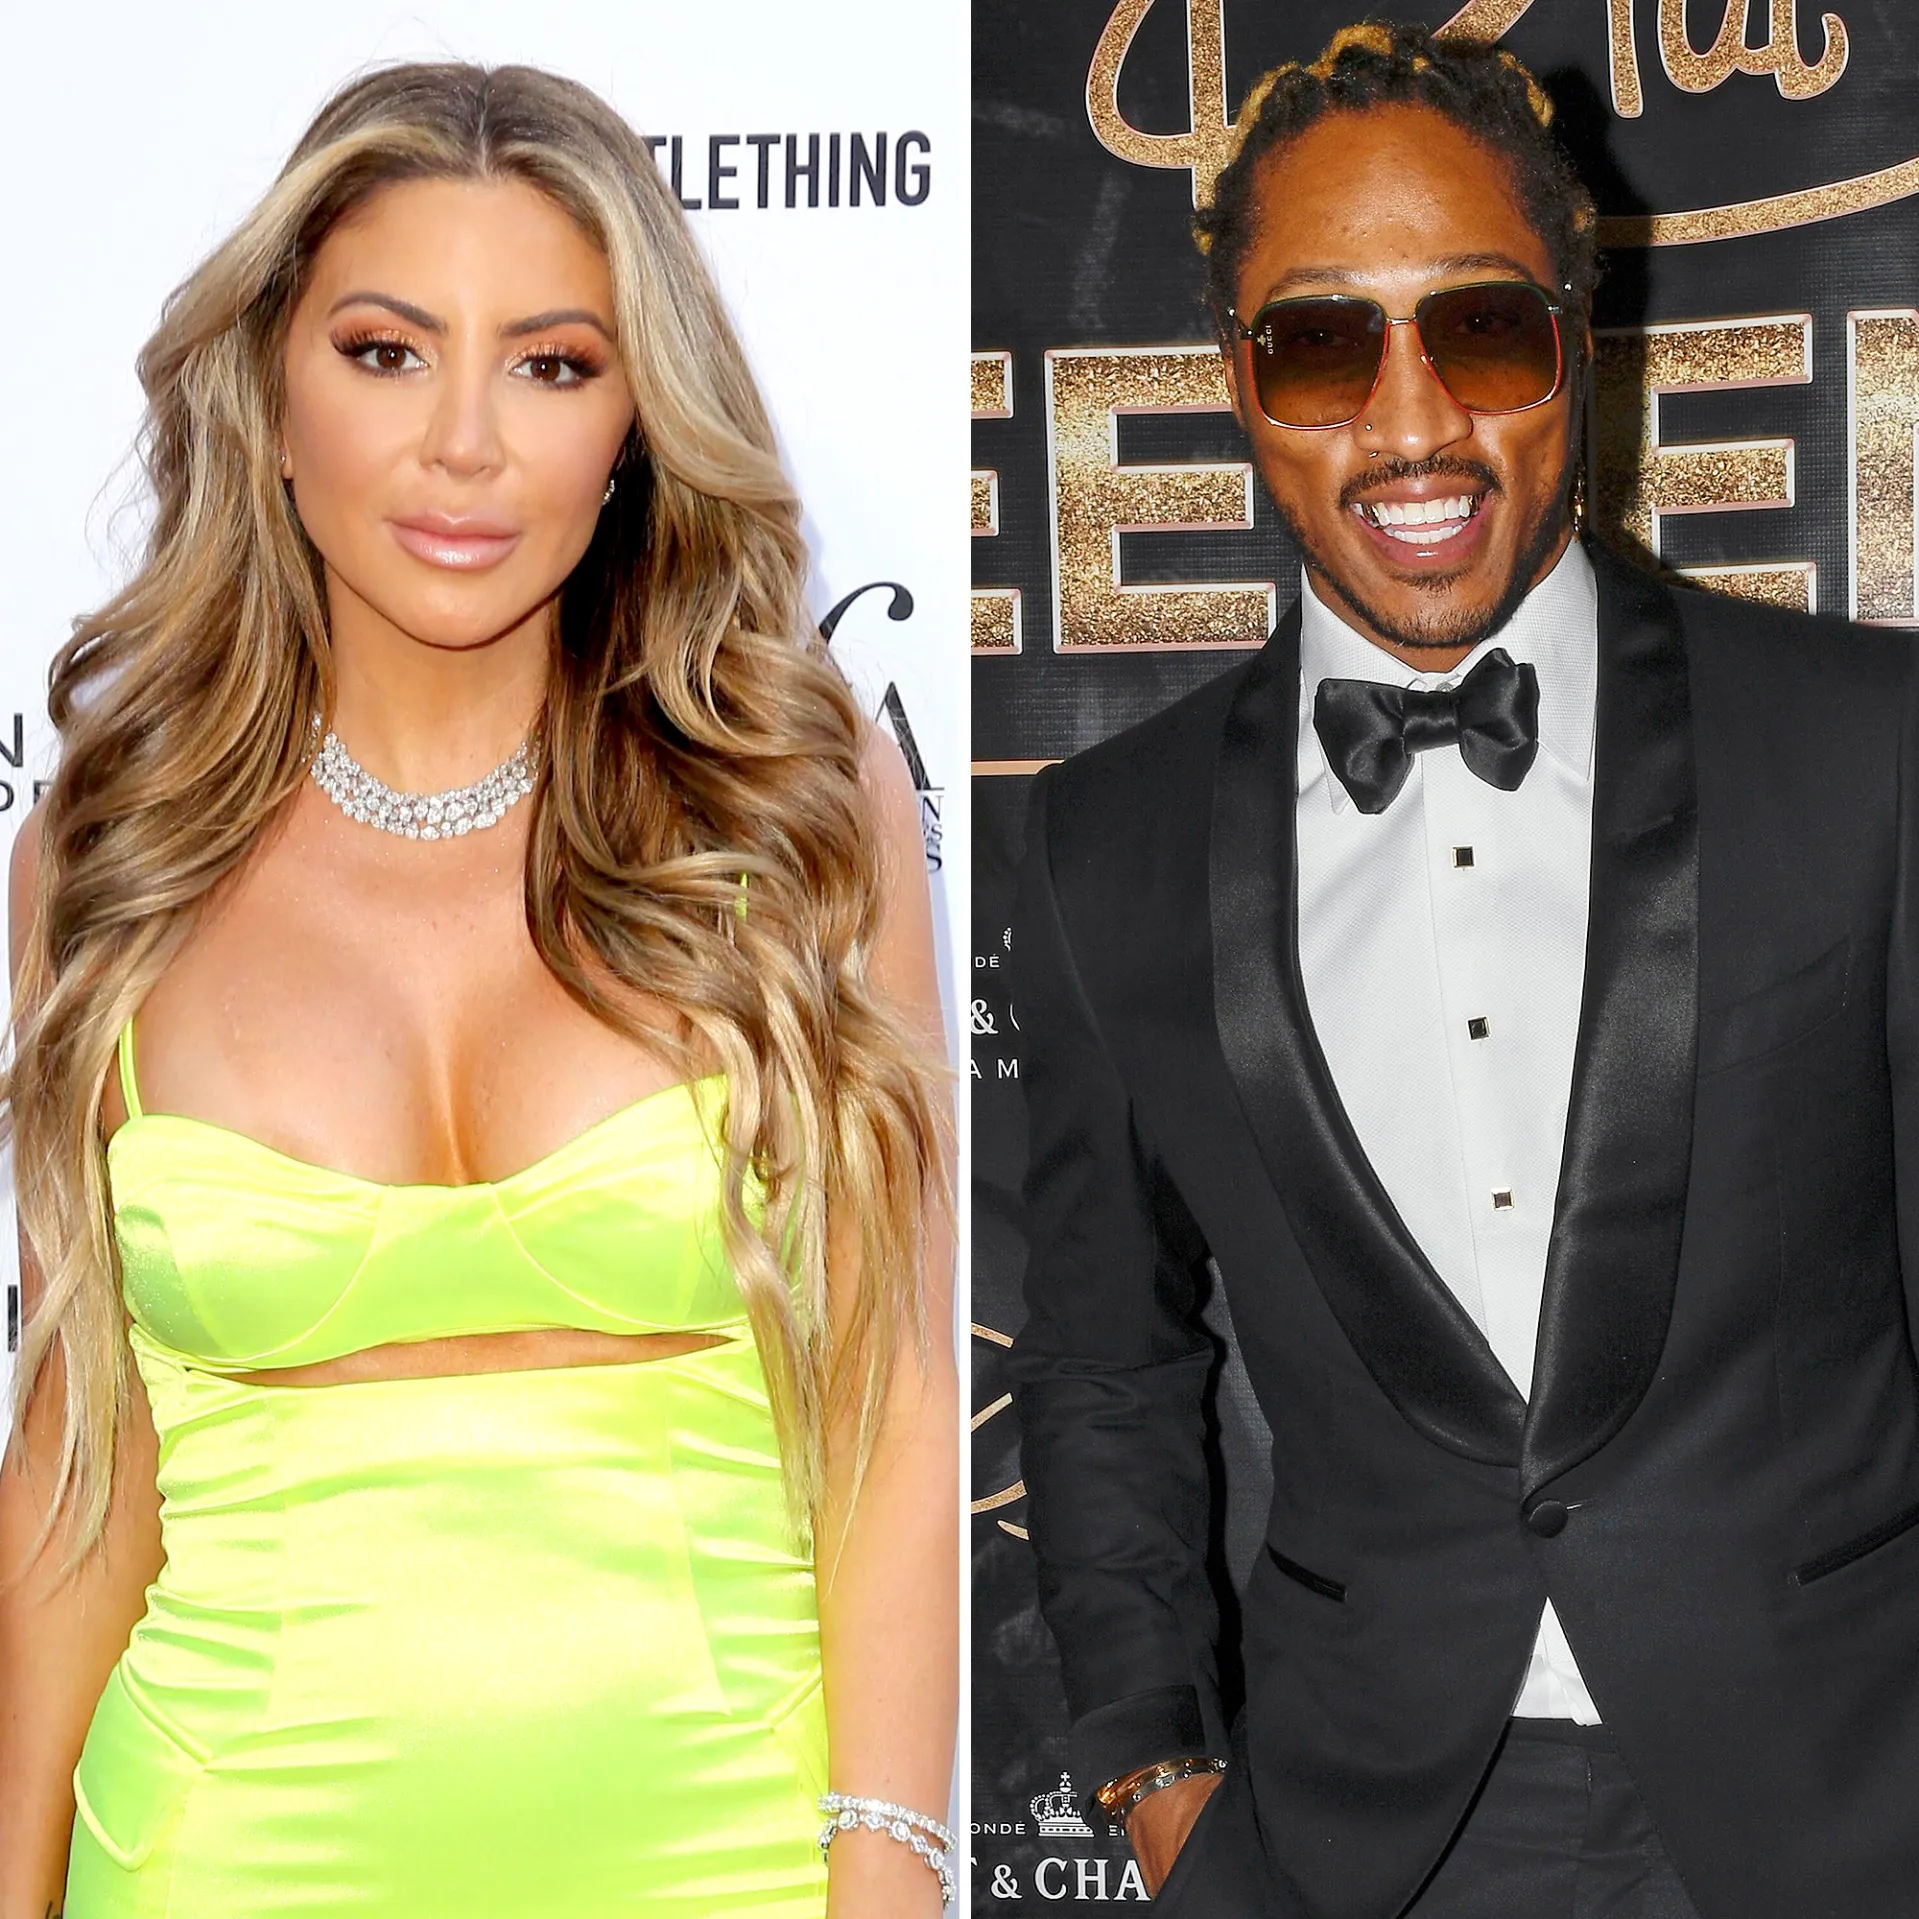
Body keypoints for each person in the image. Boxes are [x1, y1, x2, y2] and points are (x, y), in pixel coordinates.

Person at [0, 61, 956, 1919]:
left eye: (549, 364)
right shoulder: (108, 858)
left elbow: (895, 1404)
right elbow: (77, 1471)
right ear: (272, 395)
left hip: (730, 1863)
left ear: (634, 425)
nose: (463, 445)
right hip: (212, 1861)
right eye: (385, 352)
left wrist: (888, 1871)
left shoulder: (789, 807)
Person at [1009, 20, 1919, 1918]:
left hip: (1846, 1797)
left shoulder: (1865, 748)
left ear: (1577, 340)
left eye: (1481, 330)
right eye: (1321, 344)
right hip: (1368, 1836)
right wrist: (1154, 1769)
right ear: (1236, 376)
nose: (1411, 421)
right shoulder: (1109, 844)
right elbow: (1104, 1358)